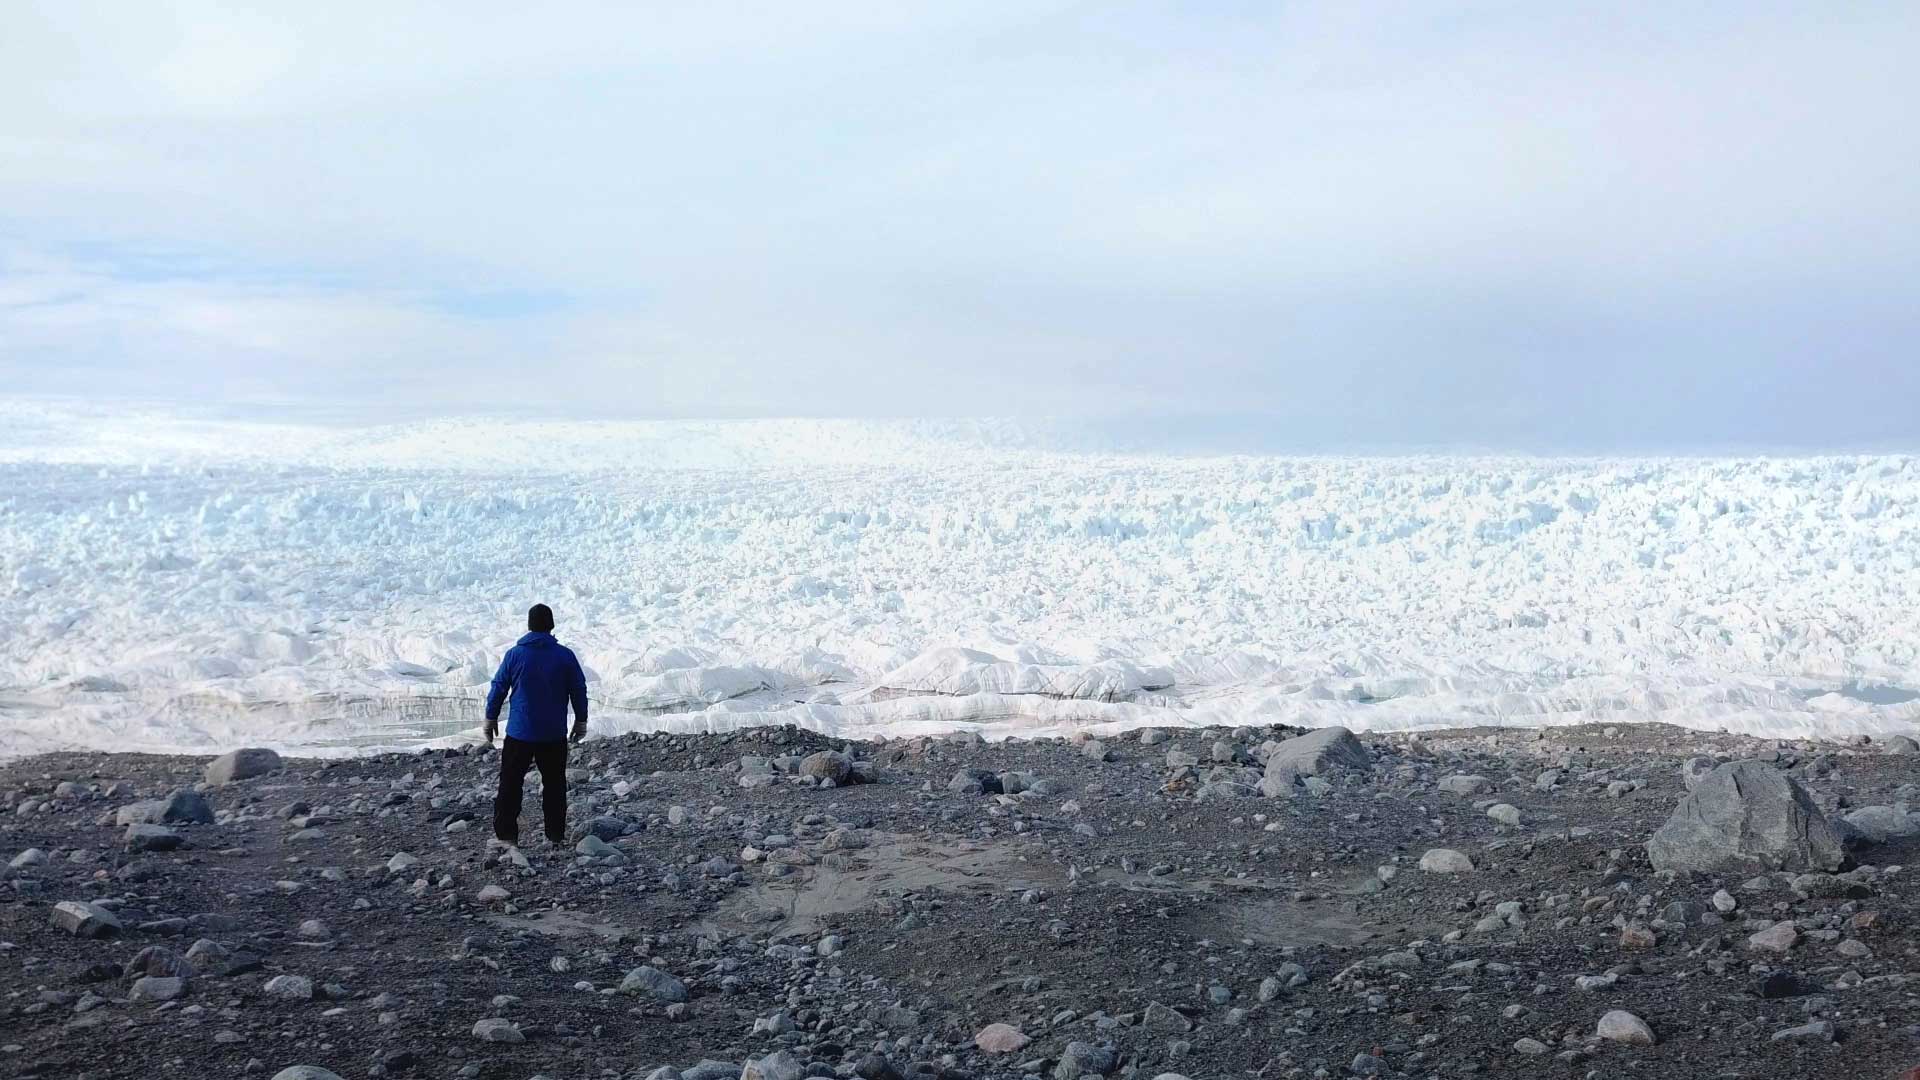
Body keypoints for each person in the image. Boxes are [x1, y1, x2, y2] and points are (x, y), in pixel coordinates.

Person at [484, 603, 589, 848]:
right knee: (554, 785)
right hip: (553, 734)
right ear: (551, 625)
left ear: (529, 626)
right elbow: (578, 688)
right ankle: (555, 835)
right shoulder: (564, 655)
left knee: (510, 783)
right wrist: (581, 720)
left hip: (519, 732)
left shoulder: (515, 655)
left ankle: (506, 836)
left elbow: (498, 687)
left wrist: (490, 717)